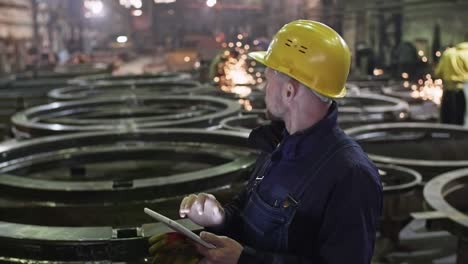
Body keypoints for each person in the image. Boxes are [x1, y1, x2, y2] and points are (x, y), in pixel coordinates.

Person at [149, 20, 383, 263]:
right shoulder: (279, 145)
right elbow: (247, 211)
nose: (263, 86)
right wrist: (220, 218)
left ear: (289, 91)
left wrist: (244, 260)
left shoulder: (351, 175)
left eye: (268, 79)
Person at [436, 42, 468, 126]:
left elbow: (438, 73)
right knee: (462, 120)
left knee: (446, 118)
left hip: (448, 90)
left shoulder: (448, 53)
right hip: (464, 90)